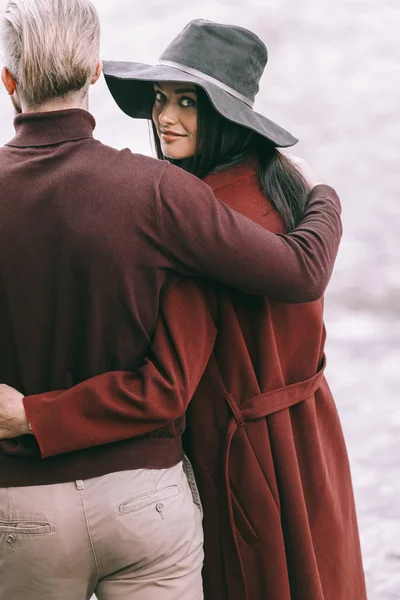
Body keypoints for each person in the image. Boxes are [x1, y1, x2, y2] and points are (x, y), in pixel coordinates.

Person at [0, 6, 346, 599]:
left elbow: (167, 384)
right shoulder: (192, 198)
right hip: (235, 475)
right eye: (162, 99)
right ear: (93, 71)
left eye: (187, 102)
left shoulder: (189, 204)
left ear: (9, 80)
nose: (165, 117)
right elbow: (302, 270)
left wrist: (34, 414)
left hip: (43, 498)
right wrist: (323, 192)